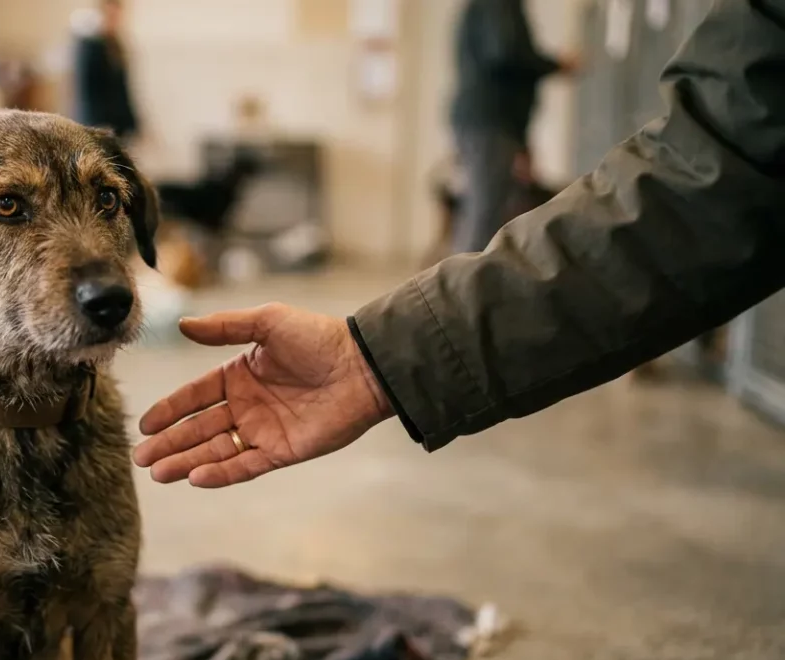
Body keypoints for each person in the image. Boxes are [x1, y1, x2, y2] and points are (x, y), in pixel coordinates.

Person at [133, 0, 785, 489]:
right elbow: (705, 177)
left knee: (479, 214)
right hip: (492, 125)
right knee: (479, 220)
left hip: (489, 125)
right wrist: (378, 359)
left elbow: (703, 175)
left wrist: (383, 357)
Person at [449, 0, 576, 254]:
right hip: (490, 121)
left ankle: (468, 285)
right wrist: (557, 65)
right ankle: (463, 291)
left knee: (488, 208)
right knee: (485, 212)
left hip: (492, 122)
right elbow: (505, 52)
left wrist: (521, 140)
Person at [69, 0, 139, 140]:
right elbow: (85, 90)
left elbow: (122, 89)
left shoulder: (116, 45)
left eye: (117, 16)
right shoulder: (89, 46)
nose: (114, 20)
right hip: (96, 123)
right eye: (110, 15)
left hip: (118, 123)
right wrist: (94, 125)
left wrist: (132, 122)